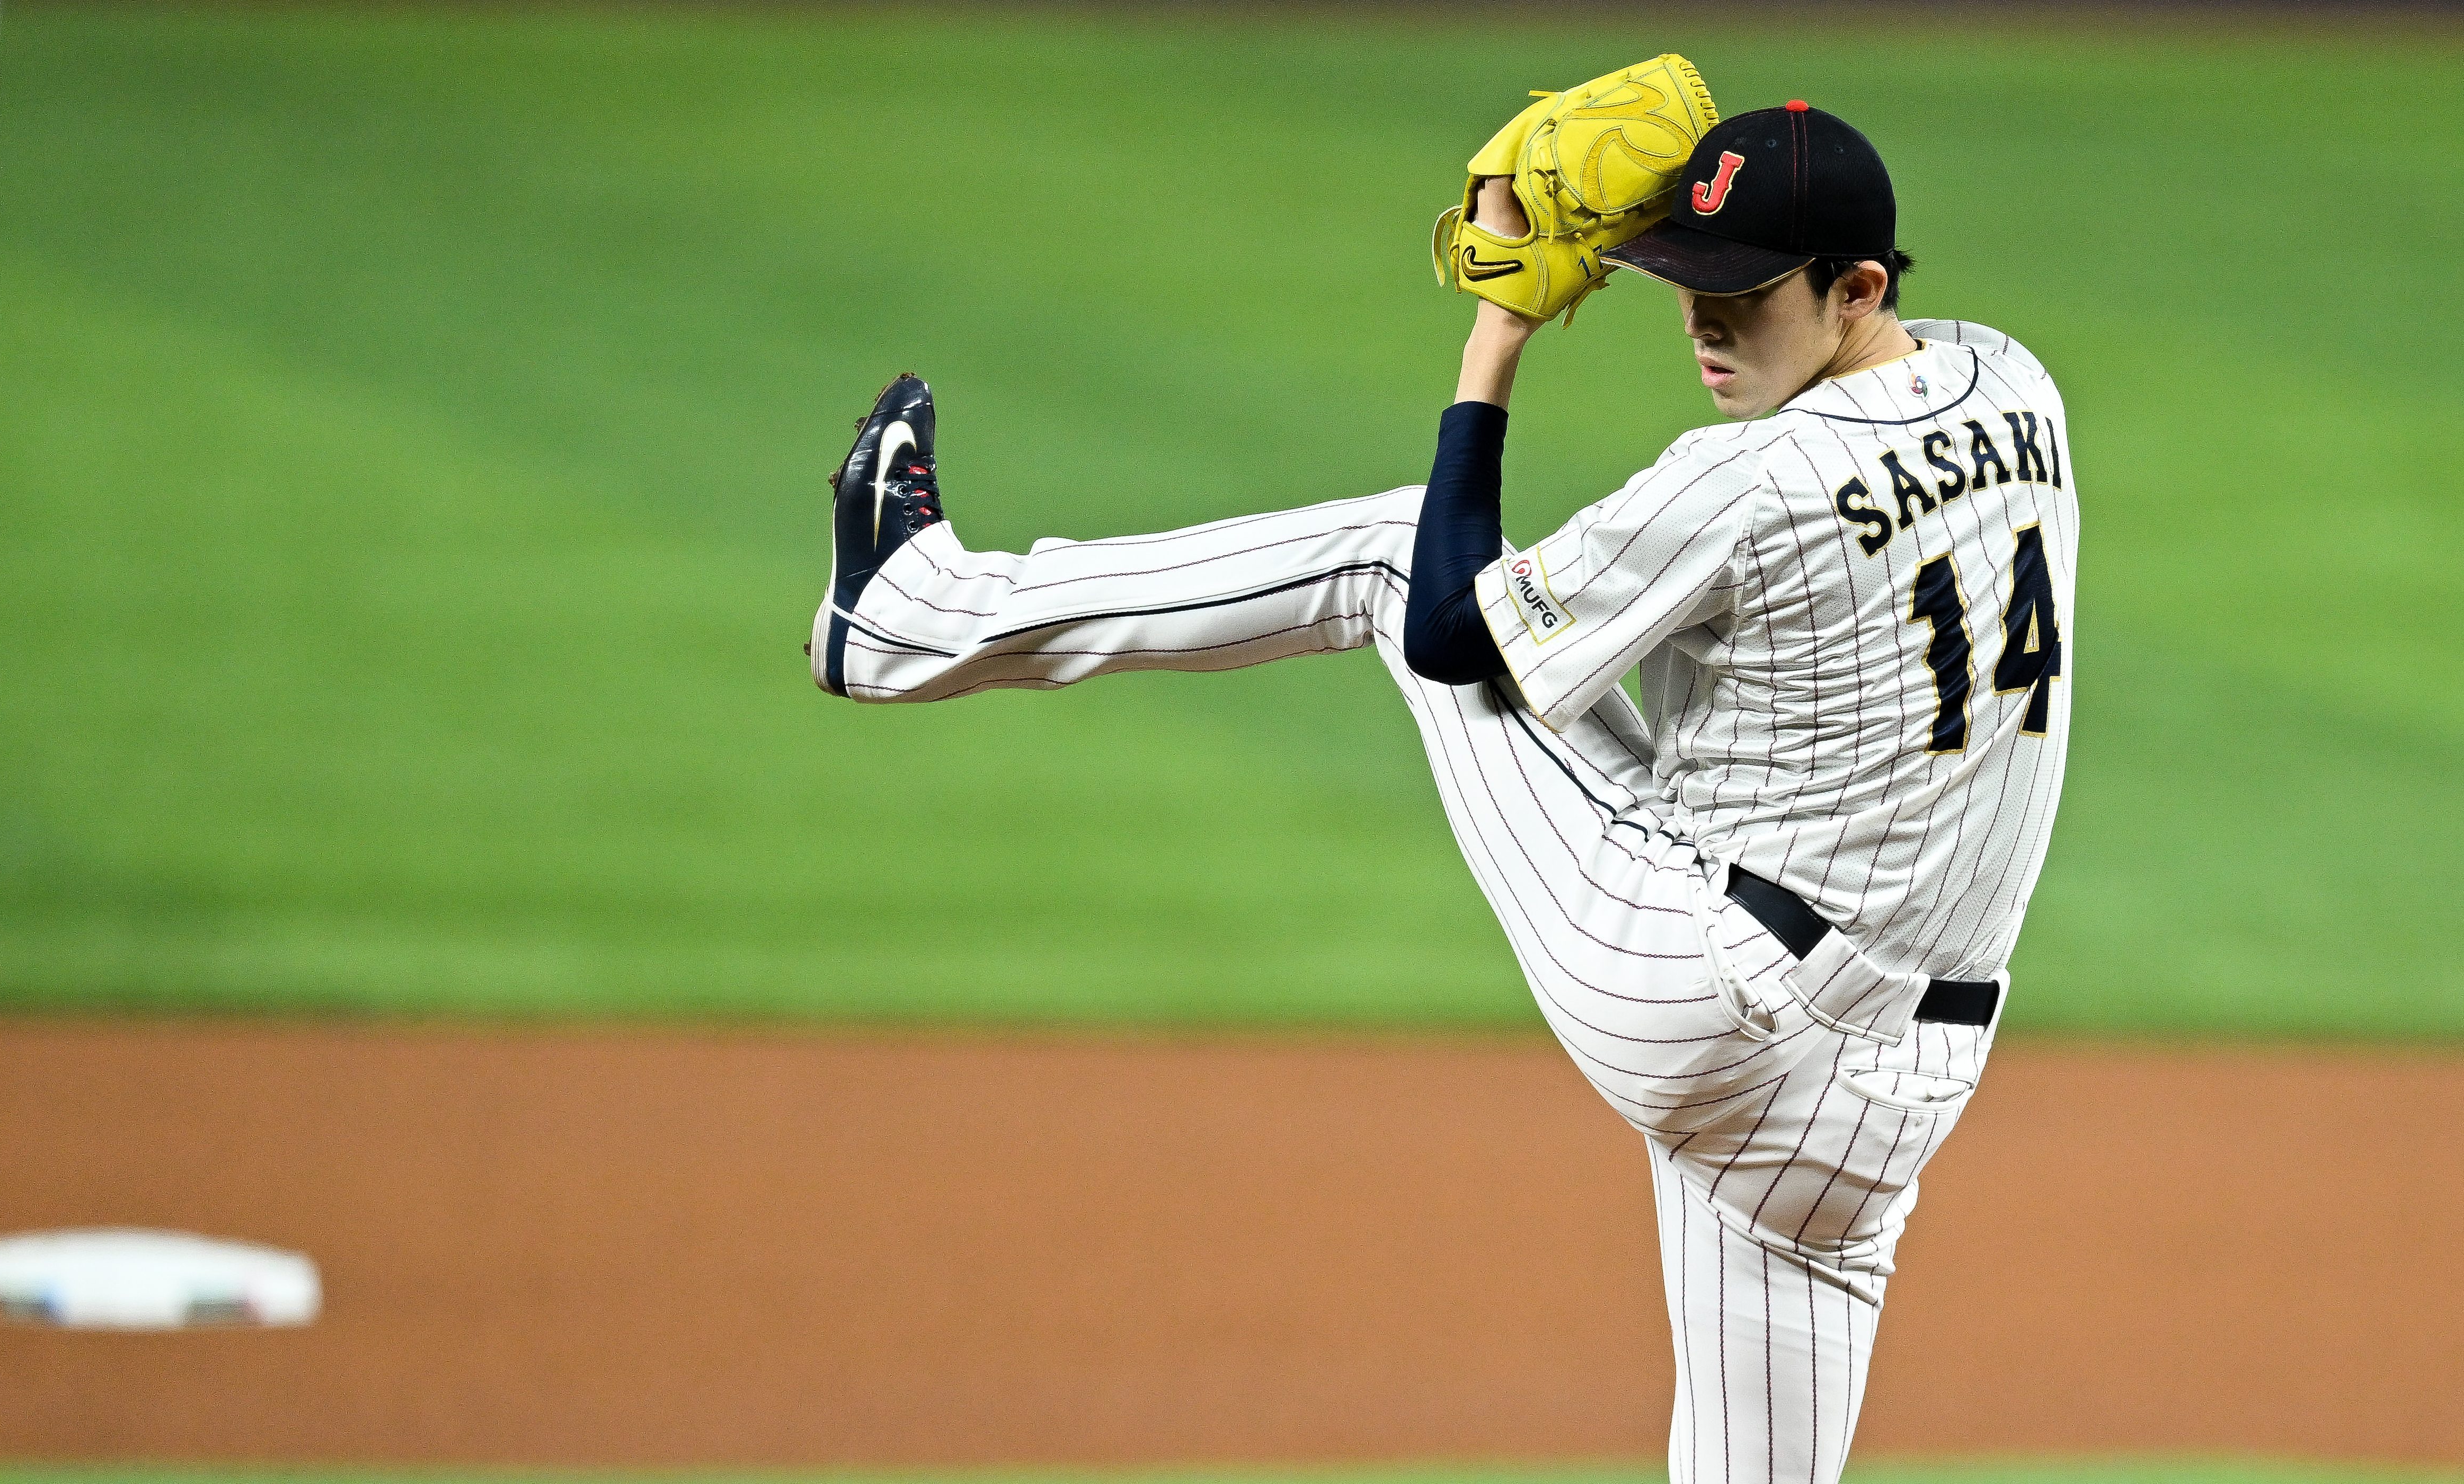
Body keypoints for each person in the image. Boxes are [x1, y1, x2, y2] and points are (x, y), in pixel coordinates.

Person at [807, 92, 2075, 1484]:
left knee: (1398, 556)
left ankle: (910, 617)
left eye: (1744, 293)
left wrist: (1498, 335)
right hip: (1891, 1101)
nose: (1704, 323)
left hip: (1705, 1000)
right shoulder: (2018, 389)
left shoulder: (1752, 482)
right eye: (1685, 281)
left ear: (1858, 288)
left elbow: (1452, 633)